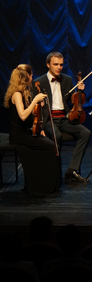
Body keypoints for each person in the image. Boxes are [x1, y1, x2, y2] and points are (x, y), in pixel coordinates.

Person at [3, 64, 61, 195]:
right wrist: (35, 100)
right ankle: (43, 186)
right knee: (50, 147)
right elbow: (23, 116)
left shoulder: (24, 93)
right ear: (27, 77)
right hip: (19, 135)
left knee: (51, 144)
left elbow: (30, 117)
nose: (32, 78)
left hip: (26, 132)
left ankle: (45, 183)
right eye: (31, 75)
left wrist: (38, 125)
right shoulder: (17, 94)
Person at [35, 52, 91, 183]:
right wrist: (40, 127)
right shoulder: (39, 82)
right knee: (57, 136)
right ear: (48, 65)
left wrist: (80, 91)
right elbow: (35, 108)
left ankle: (72, 170)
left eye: (61, 64)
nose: (59, 67)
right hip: (49, 119)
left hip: (64, 118)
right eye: (56, 64)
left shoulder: (67, 79)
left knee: (85, 133)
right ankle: (55, 170)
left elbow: (73, 100)